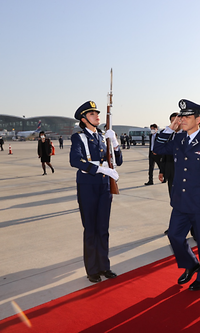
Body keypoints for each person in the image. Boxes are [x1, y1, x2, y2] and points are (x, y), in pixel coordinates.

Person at [154, 99, 200, 291]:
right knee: (175, 236)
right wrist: (170, 128)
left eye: (186, 116)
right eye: (180, 116)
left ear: (198, 119)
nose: (182, 119)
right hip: (180, 201)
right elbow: (157, 148)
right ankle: (191, 264)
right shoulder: (178, 139)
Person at [70, 101, 123, 283]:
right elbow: (75, 160)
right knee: (91, 229)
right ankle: (92, 269)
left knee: (103, 228)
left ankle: (104, 266)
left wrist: (115, 143)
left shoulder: (103, 137)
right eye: (92, 114)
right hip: (88, 186)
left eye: (97, 113)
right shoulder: (79, 137)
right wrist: (101, 170)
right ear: (84, 119)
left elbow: (119, 161)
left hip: (104, 187)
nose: (97, 116)